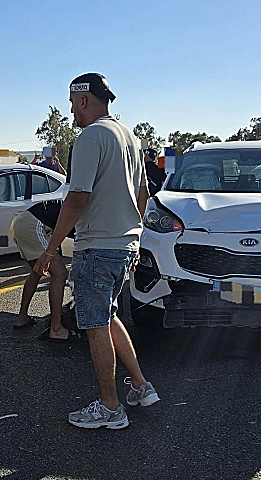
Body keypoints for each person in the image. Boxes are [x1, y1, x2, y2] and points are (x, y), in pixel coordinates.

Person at [33, 72, 160, 430]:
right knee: (108, 317)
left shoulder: (90, 138)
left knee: (94, 326)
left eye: (73, 104)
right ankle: (140, 386)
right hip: (122, 246)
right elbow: (143, 195)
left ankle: (110, 408)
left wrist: (50, 249)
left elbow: (76, 199)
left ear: (84, 100)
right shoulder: (131, 137)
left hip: (97, 247)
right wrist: (133, 236)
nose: (72, 111)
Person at [10, 199, 73, 341]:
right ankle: (56, 329)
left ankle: (22, 317)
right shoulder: (86, 213)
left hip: (23, 221)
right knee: (60, 274)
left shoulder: (82, 205)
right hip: (33, 224)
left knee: (37, 271)